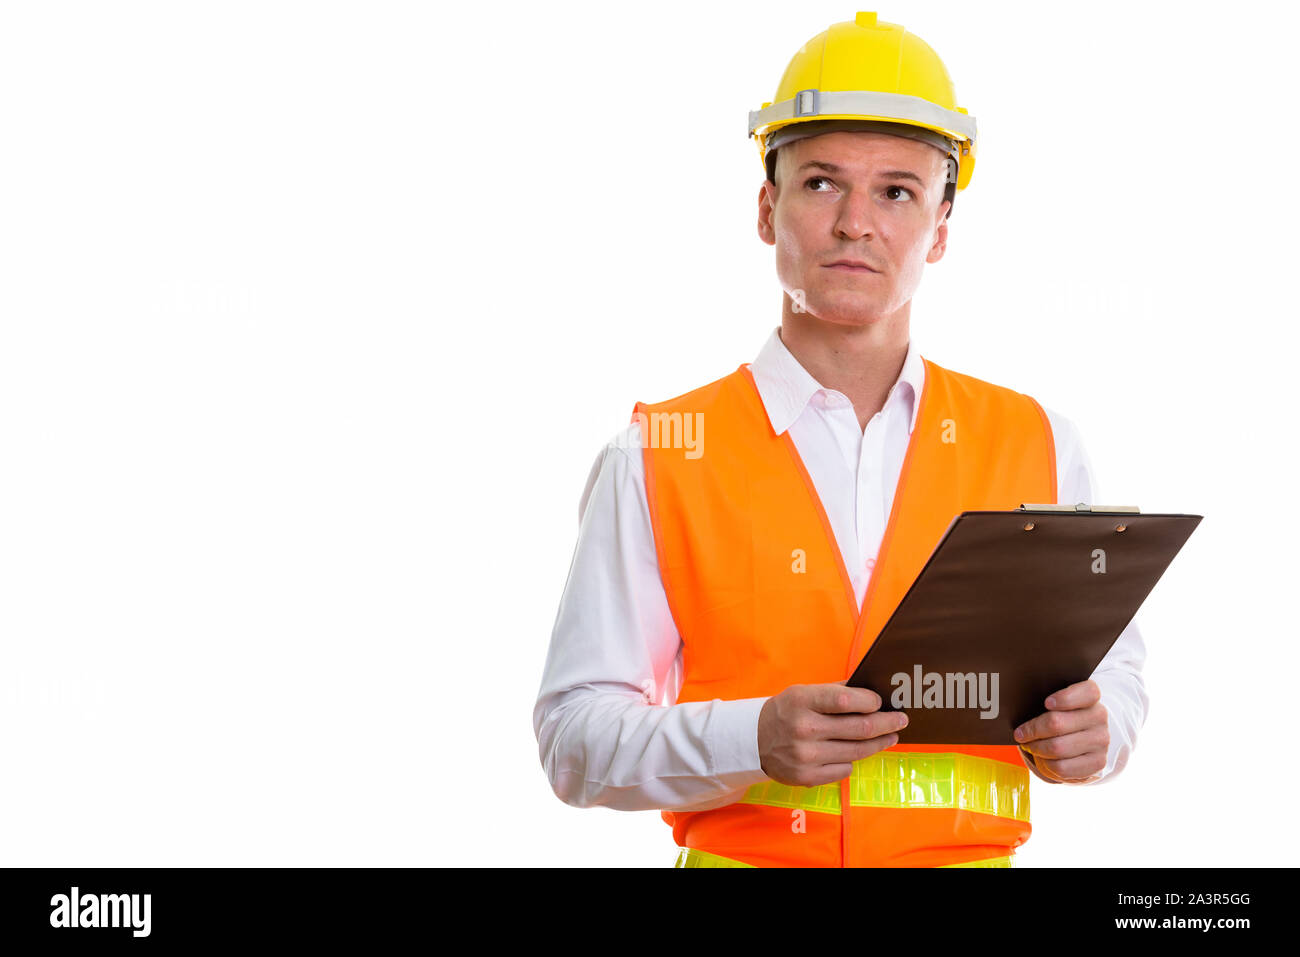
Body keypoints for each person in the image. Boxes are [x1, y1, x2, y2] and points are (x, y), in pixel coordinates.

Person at [533, 10, 1147, 867]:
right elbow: (572, 738)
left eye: (897, 190)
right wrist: (750, 736)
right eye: (822, 182)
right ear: (766, 207)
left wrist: (1101, 730)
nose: (857, 222)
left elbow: (1116, 679)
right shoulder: (660, 452)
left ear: (938, 228)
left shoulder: (1036, 440)